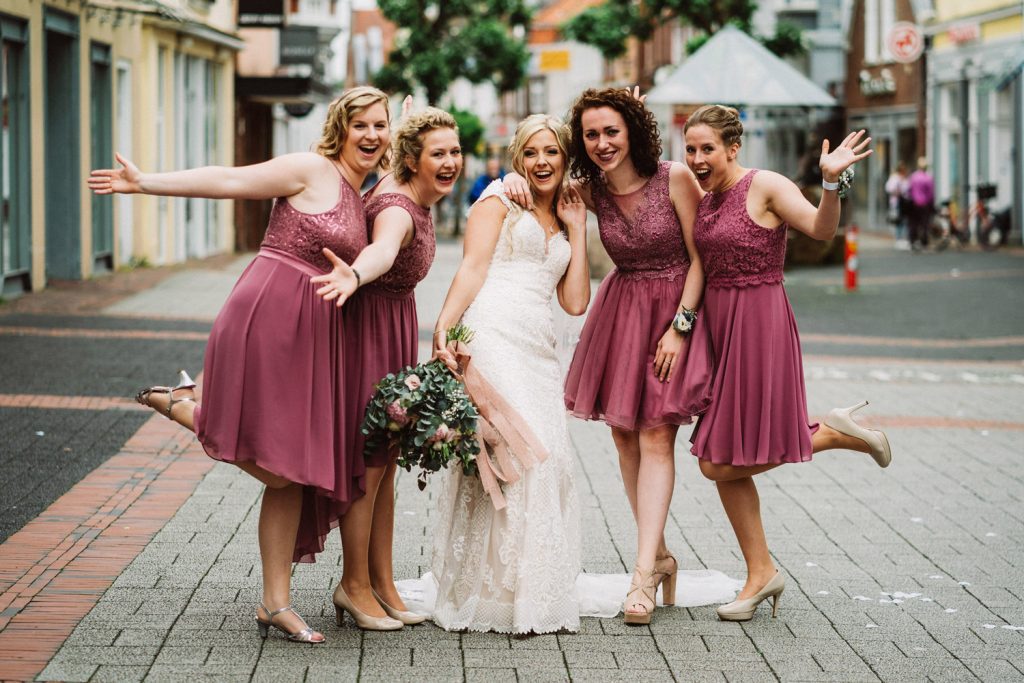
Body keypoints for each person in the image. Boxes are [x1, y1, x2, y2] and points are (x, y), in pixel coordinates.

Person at [87, 86, 393, 643]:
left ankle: (275, 604)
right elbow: (229, 180)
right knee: (281, 467)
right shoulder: (310, 169)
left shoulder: (362, 191)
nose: (372, 135)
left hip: (315, 333)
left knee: (291, 475)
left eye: (381, 124)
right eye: (361, 125)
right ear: (340, 128)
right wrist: (145, 182)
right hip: (269, 315)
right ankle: (189, 409)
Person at [503, 88, 713, 625]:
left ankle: (641, 576)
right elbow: (539, 181)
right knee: (625, 436)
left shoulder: (675, 179)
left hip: (673, 313)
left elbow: (700, 258)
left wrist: (680, 328)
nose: (601, 144)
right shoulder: (587, 189)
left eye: (612, 132)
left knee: (656, 433)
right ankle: (660, 554)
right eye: (592, 135)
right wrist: (508, 182)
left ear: (633, 132)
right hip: (622, 312)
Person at [683, 104, 893, 622]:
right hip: (720, 328)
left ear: (733, 146)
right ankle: (761, 573)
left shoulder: (767, 185)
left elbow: (822, 230)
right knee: (724, 463)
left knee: (715, 462)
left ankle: (830, 434)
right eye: (690, 149)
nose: (697, 158)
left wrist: (830, 184)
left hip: (759, 324)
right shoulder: (704, 198)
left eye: (707, 148)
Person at [422, 114, 591, 634]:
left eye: (553, 153)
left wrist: (580, 231)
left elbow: (576, 301)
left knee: (553, 459)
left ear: (565, 158)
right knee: (514, 452)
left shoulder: (567, 215)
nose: (543, 162)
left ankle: (528, 588)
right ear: (519, 156)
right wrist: (445, 327)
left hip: (539, 348)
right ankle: (487, 590)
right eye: (533, 152)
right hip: (492, 332)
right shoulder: (499, 199)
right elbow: (472, 266)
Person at [304, 108, 463, 630]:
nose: (450, 163)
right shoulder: (397, 206)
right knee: (369, 466)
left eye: (454, 152)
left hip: (390, 327)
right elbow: (383, 248)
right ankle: (353, 586)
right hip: (367, 331)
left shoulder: (413, 192)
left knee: (386, 464)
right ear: (412, 159)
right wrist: (355, 275)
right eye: (437, 154)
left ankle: (383, 583)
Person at [906, 157, 934, 251]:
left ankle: (912, 240)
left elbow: (909, 189)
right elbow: (930, 193)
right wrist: (931, 202)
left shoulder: (913, 176)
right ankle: (924, 241)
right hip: (924, 203)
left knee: (913, 223)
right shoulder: (928, 178)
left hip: (914, 203)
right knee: (925, 223)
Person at [885, 161, 910, 250]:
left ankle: (903, 238)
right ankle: (898, 238)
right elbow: (888, 188)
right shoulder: (895, 178)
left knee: (904, 220)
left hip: (905, 203)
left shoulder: (905, 179)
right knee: (898, 220)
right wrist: (897, 192)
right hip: (897, 203)